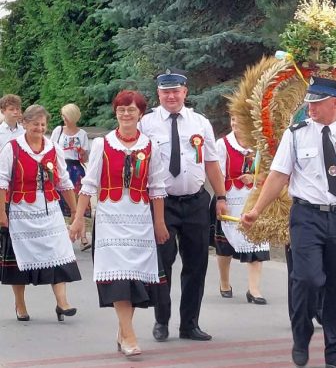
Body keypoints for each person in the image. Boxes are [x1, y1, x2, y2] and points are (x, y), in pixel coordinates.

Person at [241, 77, 336, 368]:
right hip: (307, 216)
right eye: (309, 101)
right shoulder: (295, 134)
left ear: (335, 103)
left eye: (318, 102)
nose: (310, 107)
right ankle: (302, 333)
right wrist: (257, 210)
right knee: (307, 278)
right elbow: (278, 176)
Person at [69, 90, 170, 356]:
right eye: (121, 110)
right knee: (118, 278)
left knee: (135, 277)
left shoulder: (150, 146)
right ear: (116, 113)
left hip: (140, 219)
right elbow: (89, 184)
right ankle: (129, 336)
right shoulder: (102, 144)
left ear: (140, 114)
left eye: (131, 110)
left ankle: (123, 330)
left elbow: (157, 187)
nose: (126, 114)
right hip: (110, 217)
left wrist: (159, 222)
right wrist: (79, 219)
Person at [140, 68, 227, 342]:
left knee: (196, 265)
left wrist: (221, 197)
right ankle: (162, 321)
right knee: (162, 264)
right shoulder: (147, 124)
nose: (171, 96)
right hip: (161, 204)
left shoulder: (200, 123)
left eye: (176, 91)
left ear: (185, 92)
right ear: (159, 94)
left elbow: (211, 162)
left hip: (196, 202)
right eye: (166, 92)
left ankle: (189, 324)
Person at [0, 105, 81, 322]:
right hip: (21, 211)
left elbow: (64, 181)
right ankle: (20, 304)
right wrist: (1, 213)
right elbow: (2, 182)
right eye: (35, 124)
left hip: (49, 209)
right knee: (18, 259)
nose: (39, 127)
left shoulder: (53, 148)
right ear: (25, 124)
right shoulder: (13, 148)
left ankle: (62, 302)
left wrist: (74, 210)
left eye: (43, 124)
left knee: (58, 252)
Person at [214, 115, 270, 303]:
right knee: (225, 246)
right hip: (230, 198)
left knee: (256, 242)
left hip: (254, 199)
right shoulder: (223, 145)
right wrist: (221, 198)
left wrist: (255, 178)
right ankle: (224, 282)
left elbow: (271, 172)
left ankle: (254, 289)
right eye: (232, 120)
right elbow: (218, 173)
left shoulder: (259, 144)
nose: (235, 124)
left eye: (239, 120)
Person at [0, 94, 28, 321]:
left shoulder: (23, 132)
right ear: (3, 111)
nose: (16, 112)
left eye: (18, 108)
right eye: (11, 109)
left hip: (19, 188)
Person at [50, 103, 91, 251]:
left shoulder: (82, 134)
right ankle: (61, 235)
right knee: (60, 201)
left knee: (79, 201)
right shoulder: (58, 130)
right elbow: (51, 148)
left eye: (66, 116)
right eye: (63, 116)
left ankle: (83, 236)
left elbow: (85, 158)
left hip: (76, 168)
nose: (64, 119)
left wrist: (81, 152)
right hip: (61, 167)